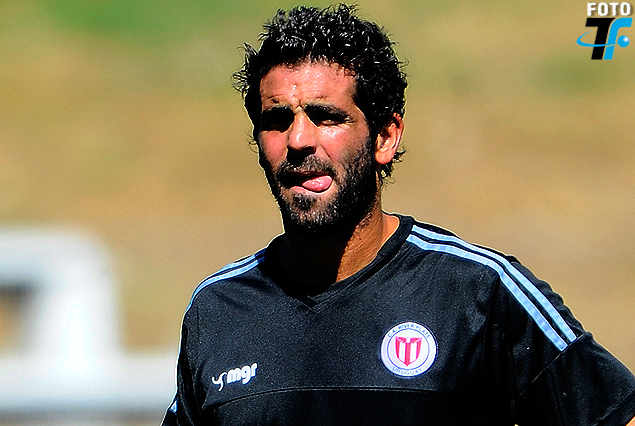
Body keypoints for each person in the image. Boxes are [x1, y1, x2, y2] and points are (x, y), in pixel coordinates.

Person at [162, 5, 635, 425]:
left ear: (385, 138)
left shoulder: (477, 292)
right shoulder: (218, 310)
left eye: (327, 117)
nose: (299, 140)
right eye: (277, 120)